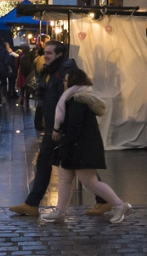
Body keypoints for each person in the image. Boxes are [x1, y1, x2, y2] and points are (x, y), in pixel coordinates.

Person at [9, 40, 107, 217]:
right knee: (58, 164)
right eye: (45, 52)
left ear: (59, 55)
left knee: (71, 165)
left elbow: (66, 99)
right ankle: (102, 201)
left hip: (60, 127)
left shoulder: (64, 72)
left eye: (50, 53)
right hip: (54, 125)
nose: (45, 56)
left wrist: (59, 127)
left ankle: (106, 201)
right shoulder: (51, 70)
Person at [40, 68, 131, 224]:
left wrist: (64, 141)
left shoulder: (76, 101)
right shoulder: (77, 99)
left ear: (73, 83)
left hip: (79, 149)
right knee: (65, 179)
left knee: (90, 182)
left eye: (66, 80)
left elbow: (74, 128)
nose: (63, 82)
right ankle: (59, 211)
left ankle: (119, 205)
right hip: (76, 148)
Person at [0, 39, 15, 105]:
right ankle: (3, 96)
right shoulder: (4, 51)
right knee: (4, 83)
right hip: (3, 68)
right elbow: (8, 60)